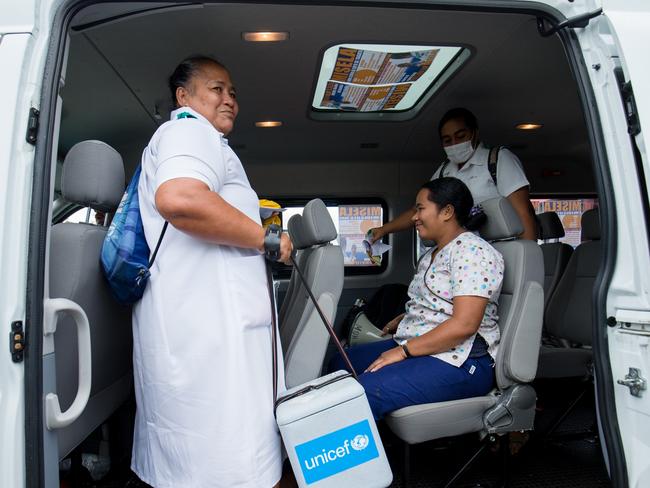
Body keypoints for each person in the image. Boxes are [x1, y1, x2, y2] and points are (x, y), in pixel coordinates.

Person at [131, 56, 292, 488]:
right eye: (217, 89)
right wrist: (267, 239)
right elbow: (181, 198)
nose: (230, 99)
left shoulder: (206, 142)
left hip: (215, 325)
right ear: (183, 97)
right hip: (208, 328)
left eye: (233, 92)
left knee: (213, 458)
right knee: (220, 460)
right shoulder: (187, 130)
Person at [330, 177, 504, 420]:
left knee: (364, 392)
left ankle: (358, 454)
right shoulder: (434, 253)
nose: (414, 217)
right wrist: (406, 317)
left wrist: (402, 352)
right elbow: (441, 303)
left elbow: (465, 324)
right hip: (425, 343)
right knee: (341, 363)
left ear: (447, 212)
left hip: (463, 359)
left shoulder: (473, 253)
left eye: (420, 208)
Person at [369, 107, 537, 242]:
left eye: (460, 136)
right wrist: (383, 230)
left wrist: (529, 259)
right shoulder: (444, 171)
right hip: (463, 251)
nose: (454, 144)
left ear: (474, 133)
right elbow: (418, 210)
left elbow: (523, 212)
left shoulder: (497, 160)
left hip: (502, 245)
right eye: (447, 140)